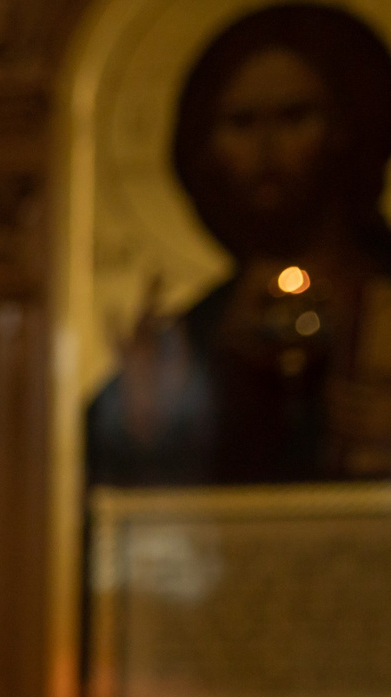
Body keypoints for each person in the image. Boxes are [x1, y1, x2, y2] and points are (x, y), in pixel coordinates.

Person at [88, 4, 391, 484]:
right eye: (241, 123)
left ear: (346, 129)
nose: (266, 147)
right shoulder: (192, 339)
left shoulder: (382, 292)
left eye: (295, 116)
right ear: (205, 146)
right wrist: (145, 432)